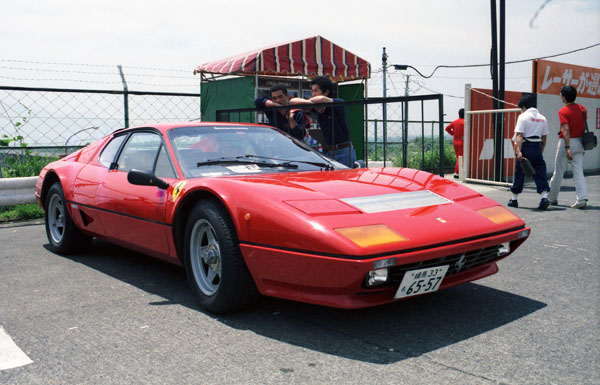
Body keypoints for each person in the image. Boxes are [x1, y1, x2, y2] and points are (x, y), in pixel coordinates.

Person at [290, 76, 356, 167]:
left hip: (344, 151)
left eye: (316, 90)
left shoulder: (337, 104)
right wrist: (311, 104)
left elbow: (321, 99)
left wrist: (309, 103)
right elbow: (293, 101)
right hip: (330, 151)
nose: (313, 94)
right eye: (312, 91)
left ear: (326, 92)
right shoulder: (315, 109)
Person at [547, 86, 589, 209]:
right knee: (578, 171)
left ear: (564, 97)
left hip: (567, 142)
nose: (560, 96)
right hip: (581, 142)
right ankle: (582, 199)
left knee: (558, 171)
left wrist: (567, 147)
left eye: (561, 95)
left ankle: (552, 198)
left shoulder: (563, 111)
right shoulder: (583, 109)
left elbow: (566, 130)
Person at [507, 95, 550, 210]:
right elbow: (544, 137)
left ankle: (514, 199)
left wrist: (518, 151)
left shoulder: (523, 117)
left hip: (526, 145)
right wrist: (541, 150)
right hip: (537, 146)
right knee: (540, 171)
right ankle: (544, 197)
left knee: (520, 172)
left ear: (524, 106)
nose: (521, 110)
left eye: (521, 108)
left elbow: (519, 135)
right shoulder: (543, 118)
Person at [445, 108, 464, 178]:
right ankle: (457, 173)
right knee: (461, 158)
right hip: (462, 142)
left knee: (458, 158)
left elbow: (447, 128)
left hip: (455, 142)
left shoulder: (455, 122)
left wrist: (453, 133)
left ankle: (458, 172)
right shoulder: (465, 122)